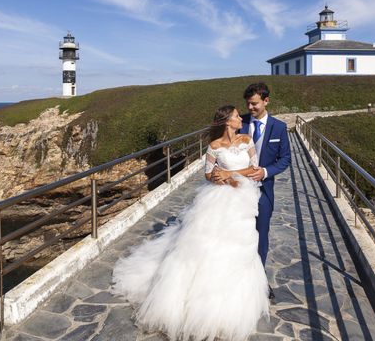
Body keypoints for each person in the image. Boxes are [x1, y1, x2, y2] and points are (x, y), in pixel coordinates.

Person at [112, 105, 269, 341]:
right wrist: (217, 176)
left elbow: (254, 169)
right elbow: (207, 174)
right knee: (208, 244)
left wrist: (230, 175)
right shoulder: (214, 147)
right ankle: (199, 301)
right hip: (218, 198)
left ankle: (233, 301)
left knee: (241, 247)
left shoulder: (247, 140)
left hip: (243, 199)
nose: (240, 119)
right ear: (227, 121)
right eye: (237, 116)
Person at [214, 82, 291, 298]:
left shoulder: (279, 127)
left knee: (261, 234)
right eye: (248, 104)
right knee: (235, 233)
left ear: (266, 101)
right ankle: (232, 277)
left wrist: (266, 172)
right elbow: (220, 145)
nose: (251, 108)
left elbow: (285, 159)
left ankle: (259, 280)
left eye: (255, 103)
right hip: (236, 191)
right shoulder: (240, 122)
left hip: (264, 190)